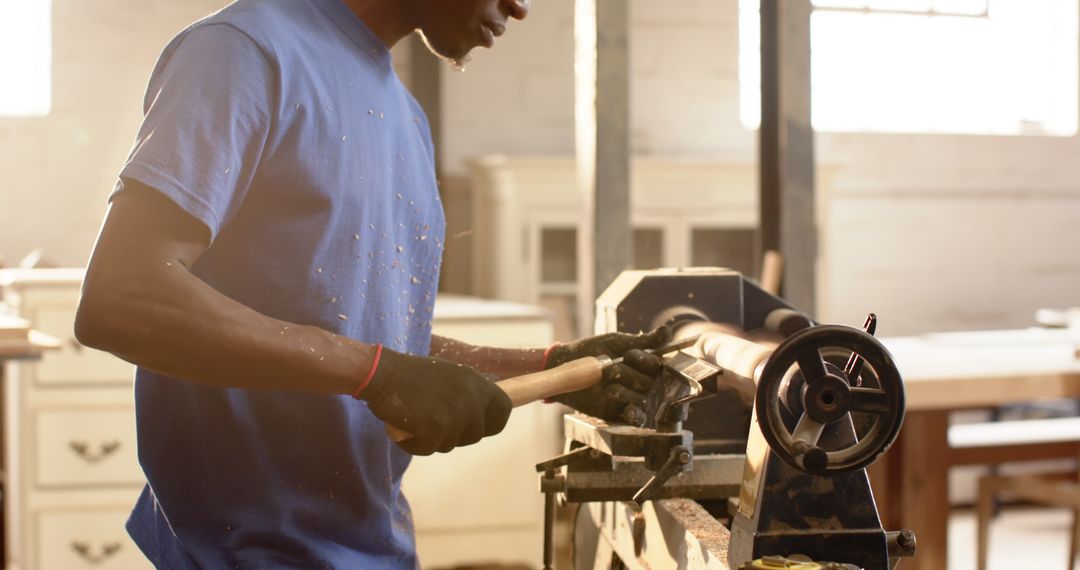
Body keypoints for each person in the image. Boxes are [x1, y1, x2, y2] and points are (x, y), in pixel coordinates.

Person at [74, 0, 670, 567]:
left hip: (369, 548)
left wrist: (548, 368)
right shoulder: (242, 53)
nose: (521, 8)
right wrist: (376, 373)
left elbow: (361, 328)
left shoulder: (405, 113)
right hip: (246, 553)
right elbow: (123, 295)